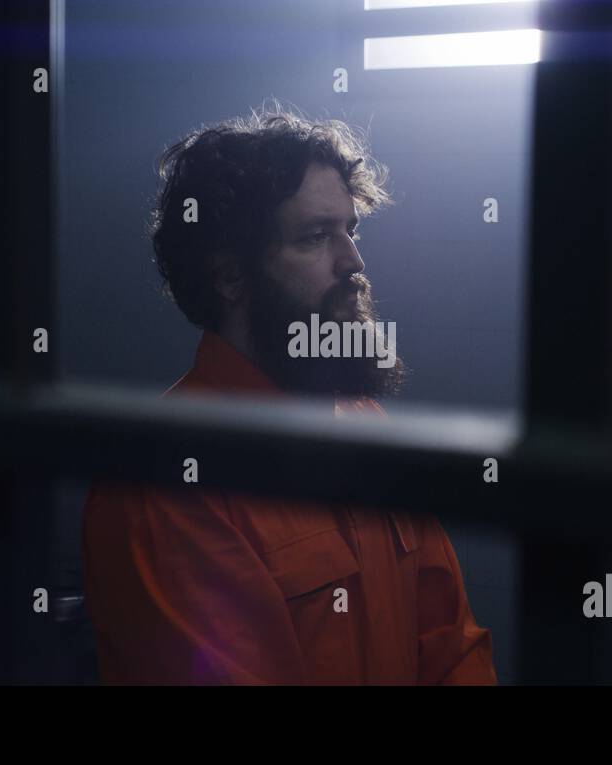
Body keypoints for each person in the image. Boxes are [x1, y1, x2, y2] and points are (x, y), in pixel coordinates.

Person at [81, 102, 496, 685]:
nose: (354, 262)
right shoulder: (165, 483)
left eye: (350, 230)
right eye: (315, 236)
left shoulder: (369, 427)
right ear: (231, 275)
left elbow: (453, 649)